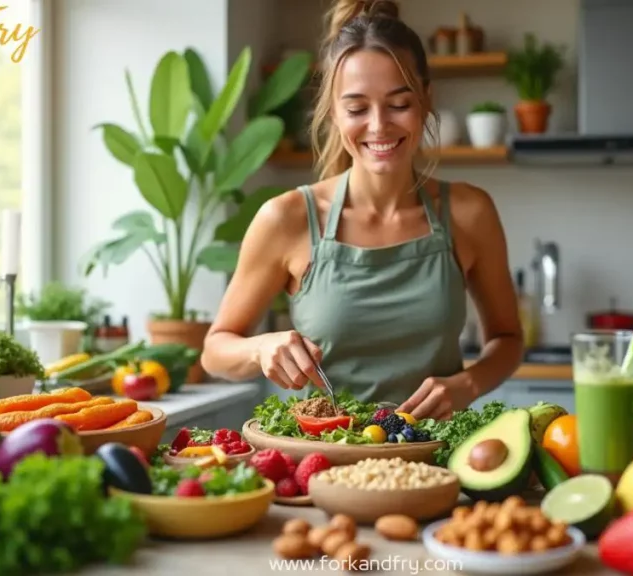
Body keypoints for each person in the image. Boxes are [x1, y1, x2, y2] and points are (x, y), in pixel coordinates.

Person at [200, 0, 523, 420]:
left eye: (399, 104)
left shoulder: (468, 213)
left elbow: (508, 338)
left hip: (433, 459)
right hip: (323, 462)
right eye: (356, 109)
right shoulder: (288, 218)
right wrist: (260, 347)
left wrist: (468, 383)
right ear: (333, 112)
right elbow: (214, 350)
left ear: (427, 99)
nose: (378, 125)